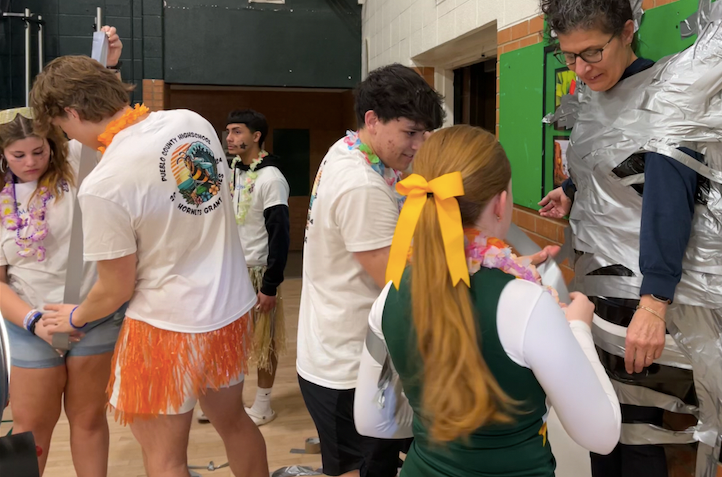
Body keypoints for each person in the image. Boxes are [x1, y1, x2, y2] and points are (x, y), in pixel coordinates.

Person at [29, 55, 268, 477]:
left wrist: (75, 315)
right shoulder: (191, 121)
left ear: (71, 113)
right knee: (234, 423)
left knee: (164, 457)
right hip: (228, 310)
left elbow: (115, 288)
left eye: (64, 128)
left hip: (167, 328)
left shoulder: (105, 183)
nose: (69, 137)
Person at [353, 125, 621, 476]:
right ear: (501, 202)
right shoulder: (529, 306)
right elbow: (602, 435)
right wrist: (577, 327)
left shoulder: (389, 295)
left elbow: (373, 419)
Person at [536, 0, 699, 477]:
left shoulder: (664, 97)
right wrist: (575, 192)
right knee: (601, 432)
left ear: (627, 29)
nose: (580, 68)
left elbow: (669, 202)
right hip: (594, 291)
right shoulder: (592, 99)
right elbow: (614, 169)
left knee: (639, 438)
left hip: (640, 300)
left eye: (592, 52)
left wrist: (655, 304)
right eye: (569, 55)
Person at [296, 64, 444, 477]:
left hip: (347, 351)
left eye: (424, 133)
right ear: (372, 120)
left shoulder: (349, 149)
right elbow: (402, 284)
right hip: (348, 367)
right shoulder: (362, 185)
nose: (418, 145)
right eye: (411, 132)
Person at [0, 28, 124, 477]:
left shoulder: (77, 168)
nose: (31, 161)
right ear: (4, 158)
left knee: (89, 421)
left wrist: (107, 66)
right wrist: (33, 321)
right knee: (31, 429)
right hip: (28, 322)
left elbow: (101, 120)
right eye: (19, 155)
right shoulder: (1, 202)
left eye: (38, 150)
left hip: (90, 317)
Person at [223, 109, 290, 426]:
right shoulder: (234, 172)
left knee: (265, 342)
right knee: (228, 340)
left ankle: (263, 404)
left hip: (260, 272)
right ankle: (228, 403)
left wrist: (270, 286)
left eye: (237, 131)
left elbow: (281, 235)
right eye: (228, 132)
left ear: (256, 136)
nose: (230, 138)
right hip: (233, 272)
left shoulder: (271, 179)